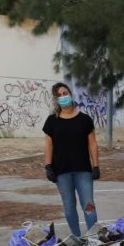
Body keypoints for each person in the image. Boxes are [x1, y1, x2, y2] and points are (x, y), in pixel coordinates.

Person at [42, 82, 100, 237]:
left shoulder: (85, 119)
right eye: (59, 95)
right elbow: (48, 145)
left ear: (71, 94)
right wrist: (48, 166)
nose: (63, 97)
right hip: (62, 172)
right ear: (56, 99)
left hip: (83, 171)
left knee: (89, 206)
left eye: (65, 93)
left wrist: (96, 166)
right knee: (69, 207)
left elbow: (92, 144)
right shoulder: (51, 121)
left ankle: (93, 237)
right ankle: (77, 238)